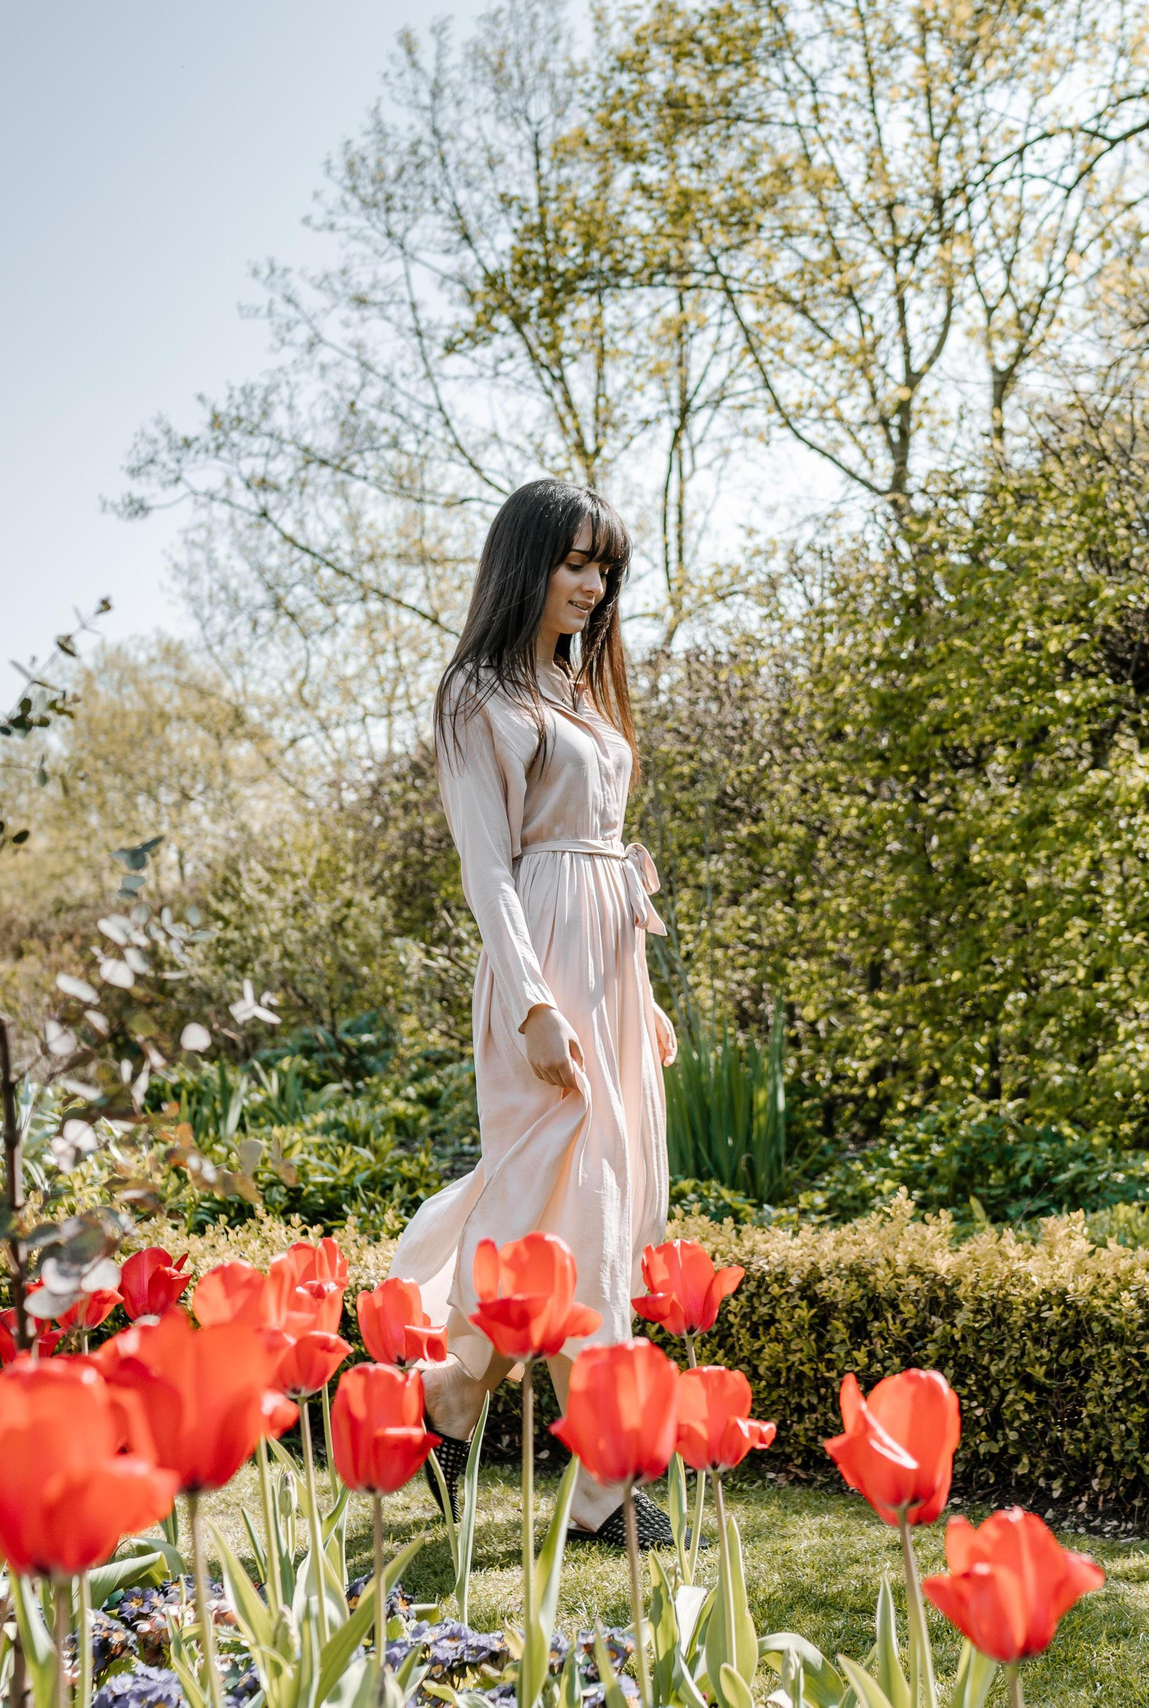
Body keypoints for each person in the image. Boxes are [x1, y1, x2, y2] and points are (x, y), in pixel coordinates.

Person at [388, 477, 679, 1547]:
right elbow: (488, 870)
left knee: (598, 1206)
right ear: (526, 566)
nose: (594, 588)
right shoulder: (479, 696)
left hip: (609, 966)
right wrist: (536, 1002)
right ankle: (578, 1467)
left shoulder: (579, 688)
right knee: (549, 1203)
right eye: (574, 564)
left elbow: (606, 851)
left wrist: (636, 1003)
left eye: (604, 569)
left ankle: (463, 1402)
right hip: (540, 969)